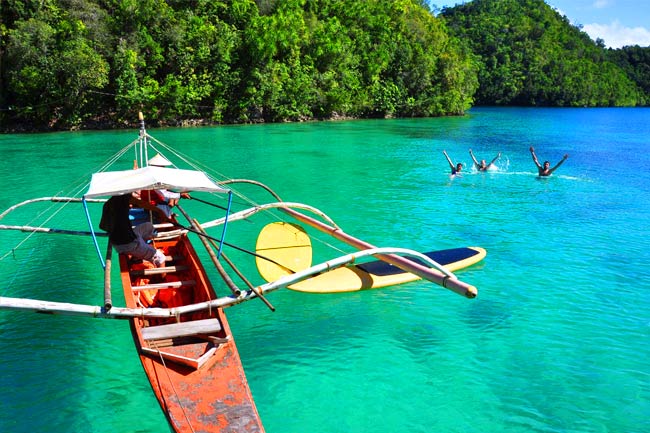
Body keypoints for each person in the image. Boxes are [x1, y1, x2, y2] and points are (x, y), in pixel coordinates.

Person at [99, 193, 170, 267]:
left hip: (117, 241)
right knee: (161, 258)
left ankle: (137, 256)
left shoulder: (108, 204)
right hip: (129, 243)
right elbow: (141, 203)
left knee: (148, 226)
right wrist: (159, 211)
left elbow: (102, 226)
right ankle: (161, 278)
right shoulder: (124, 197)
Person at [142, 153, 190, 217]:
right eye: (163, 167)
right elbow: (163, 194)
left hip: (151, 201)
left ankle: (170, 207)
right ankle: (167, 215)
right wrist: (180, 195)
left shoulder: (151, 175)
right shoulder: (154, 179)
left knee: (175, 194)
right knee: (175, 196)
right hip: (153, 205)